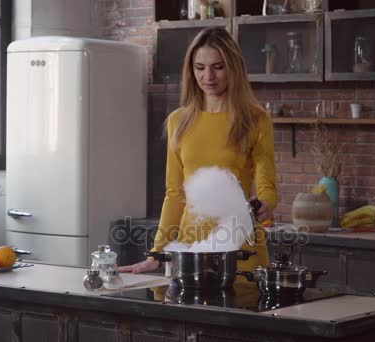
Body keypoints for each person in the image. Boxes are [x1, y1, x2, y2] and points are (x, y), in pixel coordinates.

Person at [118, 27, 277, 274]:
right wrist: (157, 253)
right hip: (189, 251)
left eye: (218, 66)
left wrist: (266, 202)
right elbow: (174, 194)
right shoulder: (178, 121)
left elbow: (268, 184)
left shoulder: (255, 119)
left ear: (233, 68)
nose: (208, 76)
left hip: (240, 248)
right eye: (199, 67)